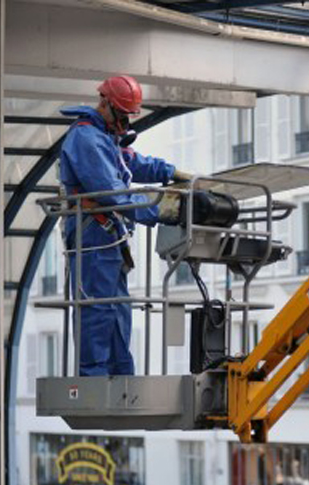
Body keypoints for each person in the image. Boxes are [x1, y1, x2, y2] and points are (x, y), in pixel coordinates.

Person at [59, 75, 189, 376]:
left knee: (117, 307)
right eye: (122, 115)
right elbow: (113, 192)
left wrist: (172, 172)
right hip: (92, 234)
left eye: (129, 116)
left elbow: (133, 162)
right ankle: (94, 376)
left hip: (107, 236)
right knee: (98, 307)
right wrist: (160, 209)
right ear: (105, 103)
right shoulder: (86, 139)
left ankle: (120, 374)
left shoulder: (105, 137)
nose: (125, 123)